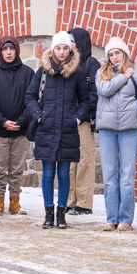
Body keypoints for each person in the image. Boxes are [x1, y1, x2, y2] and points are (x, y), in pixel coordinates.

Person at [25, 31, 90, 230]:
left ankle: (61, 215)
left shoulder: (77, 72)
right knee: (47, 174)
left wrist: (77, 118)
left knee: (63, 174)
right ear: (53, 49)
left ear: (70, 49)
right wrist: (39, 115)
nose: (61, 52)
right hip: (47, 129)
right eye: (58, 48)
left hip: (68, 130)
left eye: (65, 48)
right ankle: (48, 213)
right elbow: (30, 96)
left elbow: (85, 101)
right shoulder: (42, 72)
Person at [96, 38, 137, 232]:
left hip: (129, 130)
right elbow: (104, 90)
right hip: (107, 130)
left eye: (118, 53)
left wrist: (133, 107)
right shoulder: (102, 73)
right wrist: (123, 77)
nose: (114, 57)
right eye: (111, 54)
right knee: (109, 176)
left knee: (126, 176)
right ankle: (111, 218)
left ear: (125, 54)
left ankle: (125, 219)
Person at [0, 35, 34, 216]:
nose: (8, 52)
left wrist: (21, 121)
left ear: (16, 50)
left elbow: (32, 101)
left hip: (20, 131)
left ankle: (15, 202)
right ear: (0, 51)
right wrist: (2, 121)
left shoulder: (28, 73)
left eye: (11, 49)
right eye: (5, 49)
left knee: (16, 169)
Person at [66, 28, 101, 215]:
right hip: (67, 120)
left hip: (84, 121)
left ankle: (84, 203)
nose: (69, 44)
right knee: (70, 163)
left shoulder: (92, 64)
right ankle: (70, 201)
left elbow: (96, 95)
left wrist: (80, 111)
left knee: (85, 161)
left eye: (72, 41)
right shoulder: (68, 62)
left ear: (80, 42)